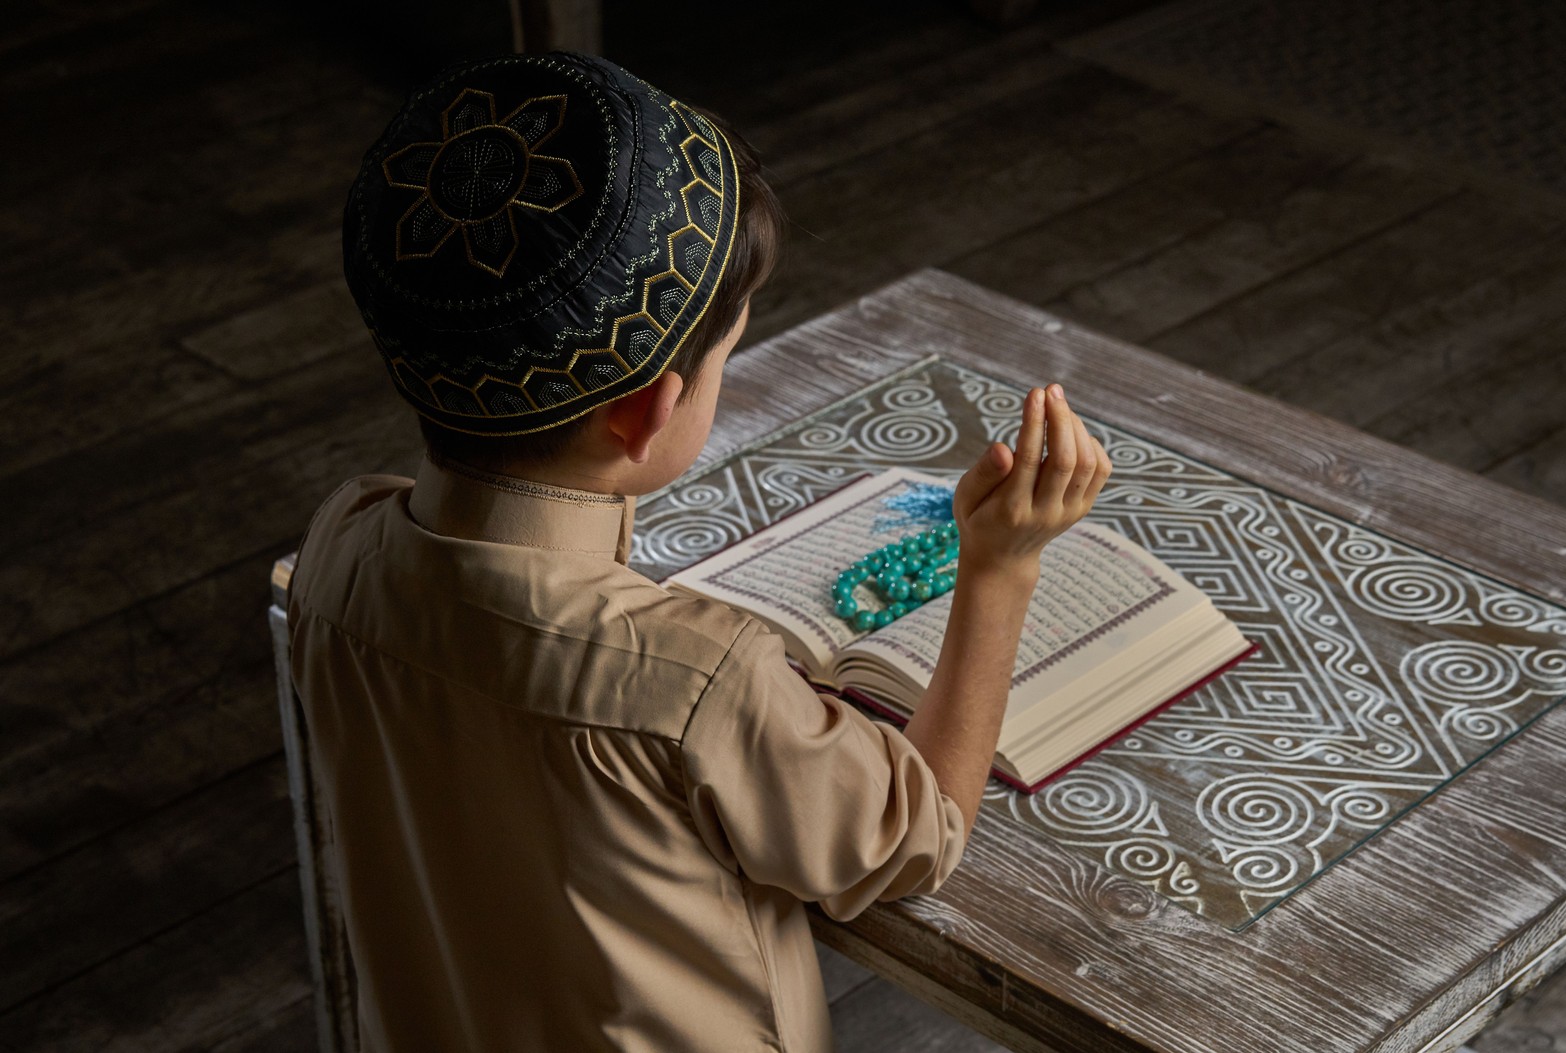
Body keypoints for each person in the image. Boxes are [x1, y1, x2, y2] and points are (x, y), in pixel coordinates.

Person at [288, 50, 1111, 1052]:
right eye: (722, 359)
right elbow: (912, 839)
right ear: (648, 411)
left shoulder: (338, 546)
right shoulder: (697, 680)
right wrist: (1001, 567)